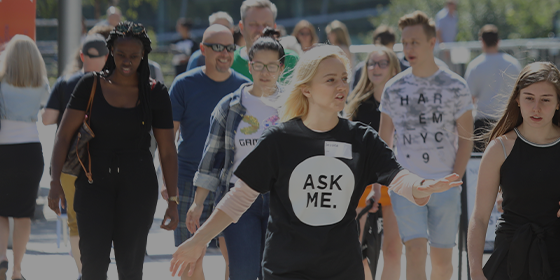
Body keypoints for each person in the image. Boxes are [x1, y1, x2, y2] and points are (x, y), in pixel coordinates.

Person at [168, 45, 464, 280]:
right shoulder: (279, 140)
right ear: (306, 88)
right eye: (331, 79)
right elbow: (239, 197)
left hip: (342, 268)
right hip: (287, 268)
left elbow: (398, 178)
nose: (341, 86)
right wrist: (198, 240)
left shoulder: (361, 138)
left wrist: (422, 187)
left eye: (345, 78)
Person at [47, 21, 181, 280]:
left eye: (134, 56)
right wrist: (54, 182)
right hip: (93, 184)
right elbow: (63, 136)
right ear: (111, 53)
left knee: (131, 269)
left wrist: (173, 202)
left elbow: (167, 150)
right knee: (93, 267)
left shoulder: (155, 92)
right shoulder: (91, 85)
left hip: (138, 187)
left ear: (143, 56)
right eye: (121, 54)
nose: (127, 61)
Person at [466, 62, 560, 280]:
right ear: (517, 100)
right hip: (511, 257)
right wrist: (475, 271)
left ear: (559, 103)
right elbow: (480, 217)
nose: (536, 108)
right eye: (529, 98)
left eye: (546, 100)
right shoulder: (499, 148)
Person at [378, 11, 473, 280]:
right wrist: (384, 182)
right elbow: (384, 139)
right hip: (407, 184)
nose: (408, 48)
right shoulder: (393, 88)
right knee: (415, 251)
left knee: (443, 263)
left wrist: (455, 179)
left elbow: (466, 139)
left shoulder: (456, 85)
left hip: (445, 183)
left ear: (432, 43)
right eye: (405, 42)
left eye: (415, 42)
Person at [186, 28, 285, 280]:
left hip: (281, 201)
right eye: (259, 65)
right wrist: (198, 203)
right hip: (238, 200)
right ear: (249, 66)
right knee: (242, 272)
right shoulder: (230, 106)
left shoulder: (293, 106)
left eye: (272, 66)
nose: (265, 72)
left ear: (281, 68)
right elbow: (211, 158)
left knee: (277, 272)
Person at [170, 24, 252, 280]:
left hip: (234, 183)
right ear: (203, 49)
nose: (225, 53)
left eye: (230, 48)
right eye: (218, 47)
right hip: (188, 178)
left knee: (236, 259)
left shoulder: (246, 88)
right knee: (190, 259)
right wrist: (166, 179)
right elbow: (167, 136)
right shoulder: (184, 84)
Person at [41, 34, 108, 278]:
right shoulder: (111, 83)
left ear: (81, 56)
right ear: (106, 57)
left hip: (70, 162)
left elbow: (47, 118)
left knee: (74, 220)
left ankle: (84, 273)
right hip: (101, 161)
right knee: (103, 217)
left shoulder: (65, 82)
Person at [344, 46, 404, 280]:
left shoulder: (403, 102)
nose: (375, 68)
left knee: (393, 251)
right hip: (363, 179)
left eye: (381, 63)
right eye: (371, 63)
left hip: (396, 179)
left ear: (393, 69)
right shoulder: (356, 104)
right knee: (355, 248)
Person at [0, 34, 50, 280]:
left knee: (0, 211)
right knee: (23, 214)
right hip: (30, 151)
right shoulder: (41, 85)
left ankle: (1, 258)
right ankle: (17, 270)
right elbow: (45, 109)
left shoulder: (0, 83)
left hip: (3, 150)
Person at [465, 24, 521, 152]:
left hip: (482, 122)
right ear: (498, 41)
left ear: (482, 41)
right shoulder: (513, 63)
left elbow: (469, 99)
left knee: (481, 162)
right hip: (508, 119)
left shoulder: (475, 65)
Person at [231, 0, 299, 81]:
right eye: (253, 24)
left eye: (266, 25)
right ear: (242, 27)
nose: (261, 30)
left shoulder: (291, 61)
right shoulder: (230, 62)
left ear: (274, 28)